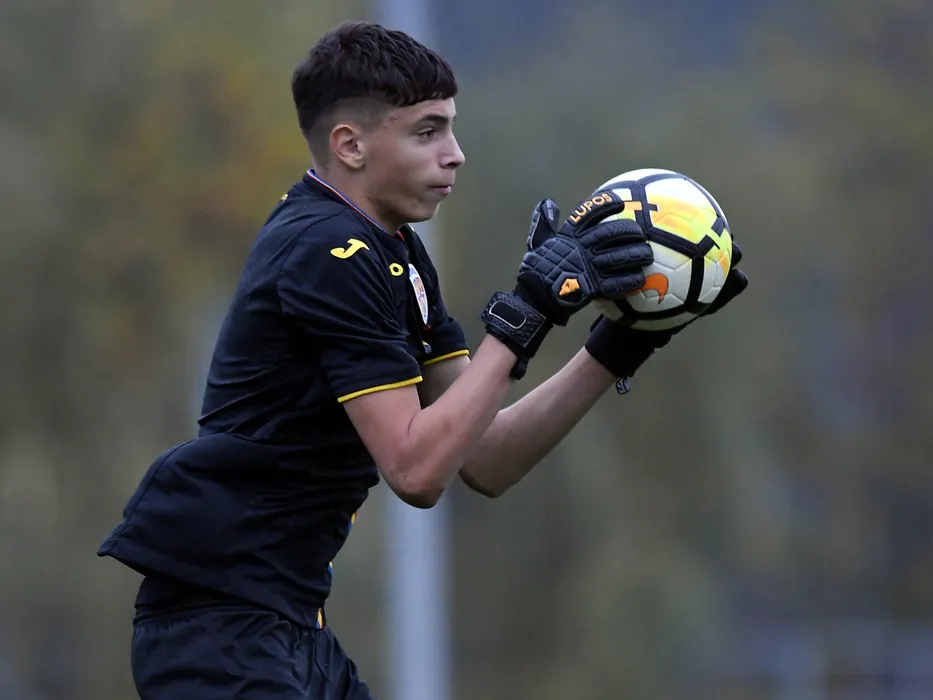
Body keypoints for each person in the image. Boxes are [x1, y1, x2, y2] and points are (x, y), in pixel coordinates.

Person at [98, 20, 747, 700]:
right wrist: (527, 310)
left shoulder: (396, 252)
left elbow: (484, 456)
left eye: (451, 128)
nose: (455, 154)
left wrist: (620, 340)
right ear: (350, 145)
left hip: (283, 624)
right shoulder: (328, 252)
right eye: (427, 131)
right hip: (219, 631)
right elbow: (416, 470)